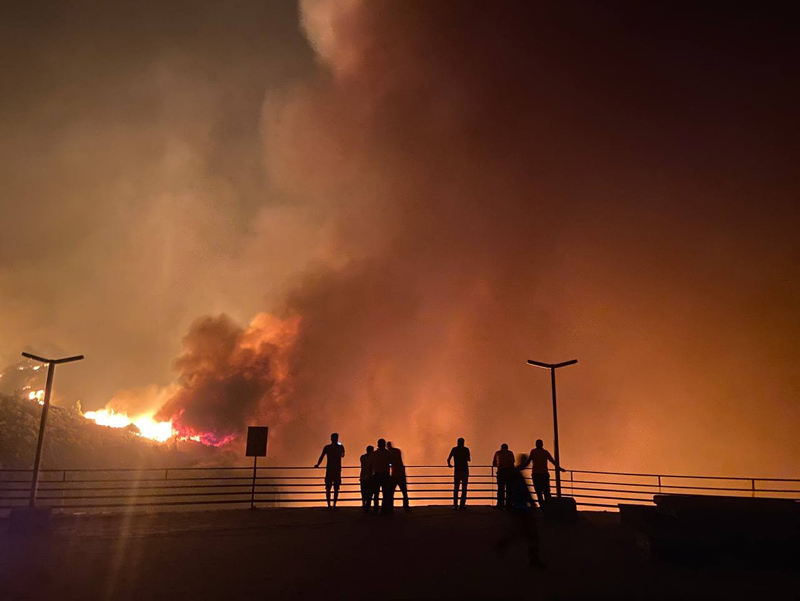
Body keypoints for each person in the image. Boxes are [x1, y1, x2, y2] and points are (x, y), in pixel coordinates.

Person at [494, 453, 543, 568]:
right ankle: (533, 560)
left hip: (518, 507)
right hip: (521, 508)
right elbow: (523, 490)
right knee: (531, 534)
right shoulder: (517, 474)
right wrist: (531, 502)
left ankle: (501, 546)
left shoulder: (515, 473)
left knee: (519, 531)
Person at [523, 439, 565, 506]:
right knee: (546, 492)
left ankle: (543, 506)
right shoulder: (544, 452)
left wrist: (520, 467)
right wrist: (559, 468)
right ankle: (547, 506)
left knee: (539, 492)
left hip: (537, 474)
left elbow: (528, 462)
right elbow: (552, 461)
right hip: (543, 474)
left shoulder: (534, 452)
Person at [314, 432, 346, 509]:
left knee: (328, 488)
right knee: (336, 488)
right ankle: (334, 505)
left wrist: (318, 465)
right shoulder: (340, 447)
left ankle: (329, 505)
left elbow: (321, 457)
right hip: (337, 469)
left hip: (330, 469)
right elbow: (343, 455)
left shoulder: (327, 448)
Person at [447, 437, 471, 509]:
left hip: (457, 470)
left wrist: (449, 464)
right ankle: (462, 505)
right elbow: (469, 459)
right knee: (464, 488)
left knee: (456, 488)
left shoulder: (454, 449)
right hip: (465, 470)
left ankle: (455, 505)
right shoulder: (466, 449)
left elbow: (449, 458)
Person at [371, 438, 393, 514]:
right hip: (385, 474)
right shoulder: (387, 453)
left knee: (376, 493)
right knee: (385, 493)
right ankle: (384, 509)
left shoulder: (374, 454)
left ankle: (376, 508)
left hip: (377, 474)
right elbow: (391, 463)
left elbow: (372, 464)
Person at [387, 441, 410, 511]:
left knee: (391, 492)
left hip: (394, 474)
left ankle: (390, 507)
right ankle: (406, 506)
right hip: (401, 473)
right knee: (404, 491)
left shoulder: (389, 453)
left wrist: (389, 465)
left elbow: (390, 463)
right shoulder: (397, 451)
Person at [492, 443, 515, 509]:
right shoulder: (510, 453)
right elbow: (512, 462)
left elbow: (494, 463)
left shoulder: (497, 453)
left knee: (500, 489)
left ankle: (500, 504)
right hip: (509, 472)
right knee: (509, 489)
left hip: (501, 471)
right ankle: (509, 505)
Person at [359, 445, 375, 513]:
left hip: (363, 477)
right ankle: (367, 506)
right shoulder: (371, 458)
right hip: (369, 477)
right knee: (369, 493)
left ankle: (364, 505)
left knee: (364, 492)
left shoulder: (363, 457)